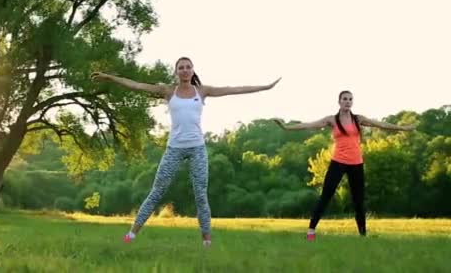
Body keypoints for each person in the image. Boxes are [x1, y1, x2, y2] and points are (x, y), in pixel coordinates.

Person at [91, 56, 281, 246]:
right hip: (174, 149)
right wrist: (110, 78)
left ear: (192, 70)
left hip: (197, 148)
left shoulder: (202, 91)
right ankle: (131, 234)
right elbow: (138, 86)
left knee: (200, 194)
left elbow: (234, 90)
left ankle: (207, 241)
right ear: (176, 72)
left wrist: (265, 87)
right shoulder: (167, 91)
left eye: (188, 67)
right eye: (181, 67)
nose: (184, 70)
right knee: (157, 191)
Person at [273, 90, 416, 241]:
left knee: (358, 200)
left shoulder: (358, 119)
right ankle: (311, 231)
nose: (348, 101)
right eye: (345, 99)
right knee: (326, 196)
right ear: (339, 101)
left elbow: (381, 125)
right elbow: (309, 124)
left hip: (356, 163)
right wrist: (286, 127)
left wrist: (403, 128)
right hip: (338, 162)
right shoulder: (332, 120)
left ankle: (362, 235)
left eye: (350, 99)